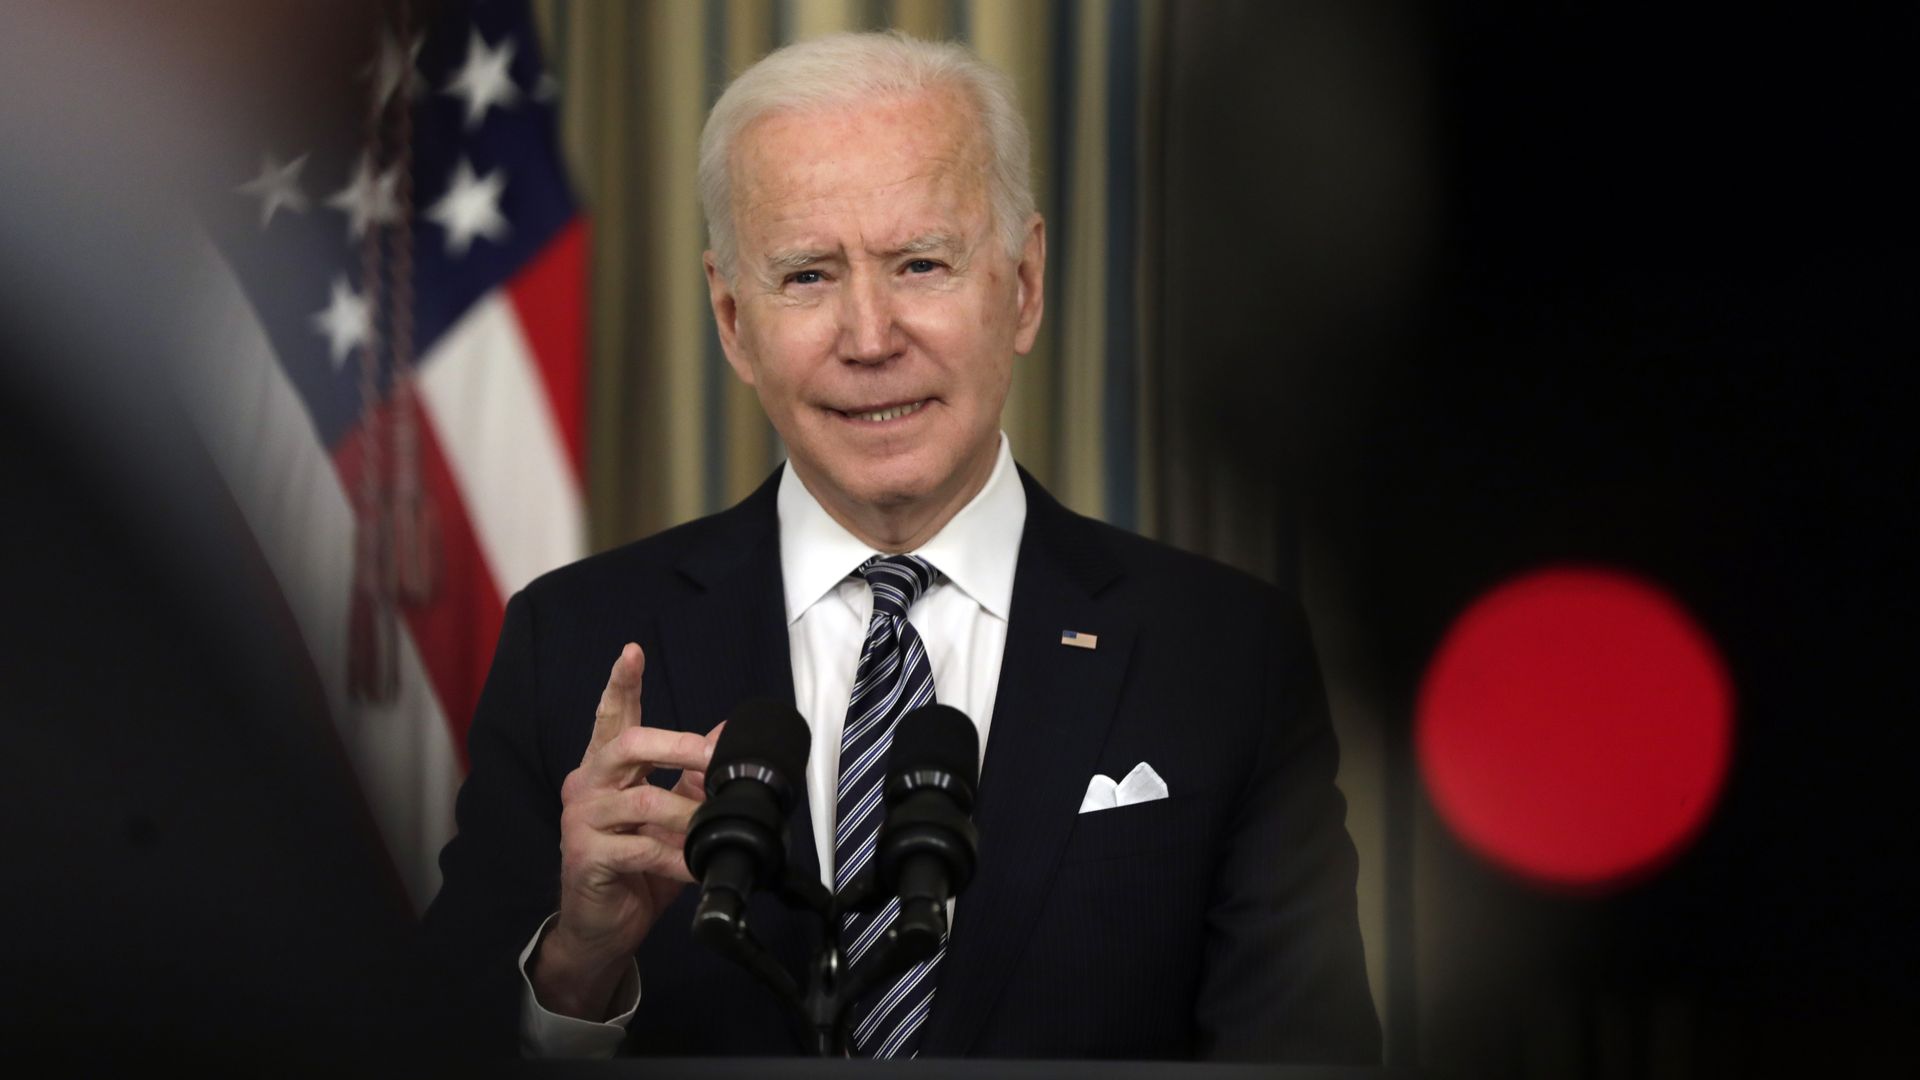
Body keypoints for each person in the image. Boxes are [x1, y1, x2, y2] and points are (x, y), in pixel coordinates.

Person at [420, 30, 1379, 1062]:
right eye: (807, 276)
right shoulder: (573, 647)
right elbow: (425, 1049)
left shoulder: (1226, 657)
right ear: (733, 319)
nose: (870, 336)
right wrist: (577, 964)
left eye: (921, 263)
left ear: (1022, 284)